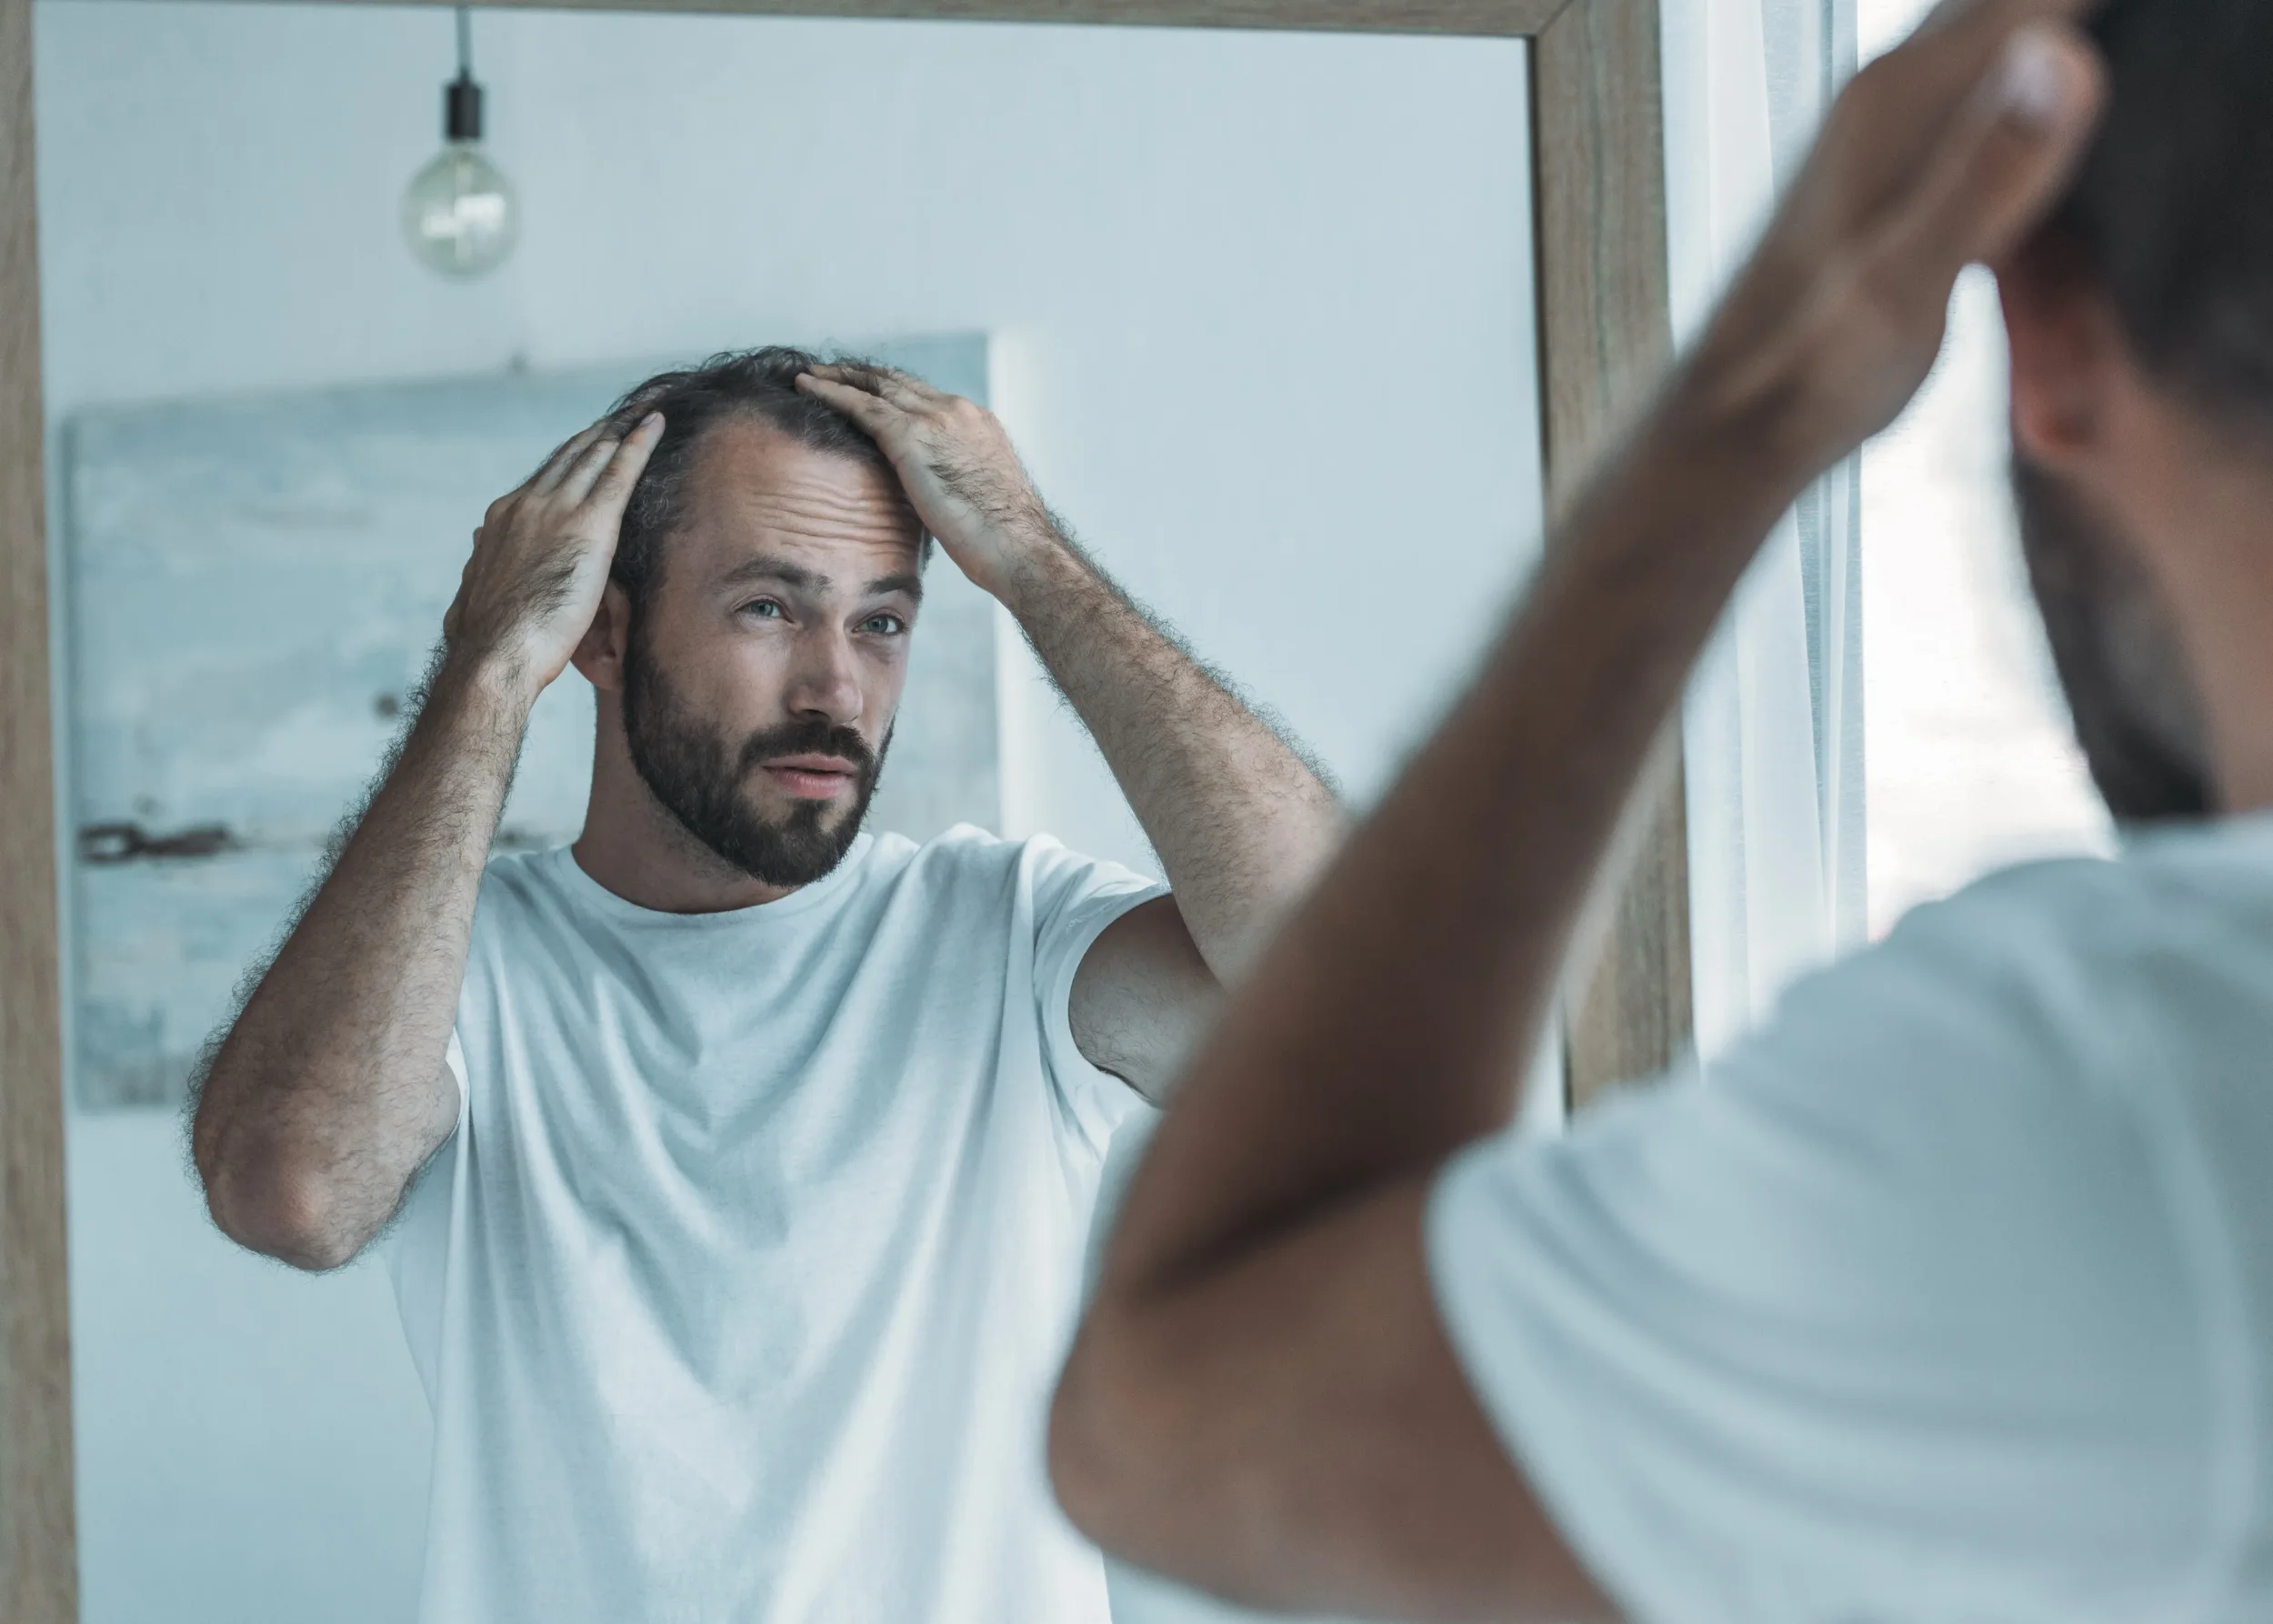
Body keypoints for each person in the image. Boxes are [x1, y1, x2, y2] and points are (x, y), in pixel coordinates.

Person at [1049, 0, 2273, 1619]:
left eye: (874, 615)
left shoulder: (2145, 1078)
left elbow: (1173, 1396)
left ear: (2040, 324)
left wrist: (1748, 402)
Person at [189, 347, 1339, 1622]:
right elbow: (291, 1191)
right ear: (606, 634)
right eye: (770, 608)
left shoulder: (1006, 936)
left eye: (881, 620)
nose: (838, 687)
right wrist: (487, 670)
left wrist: (1031, 556)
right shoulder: (468, 965)